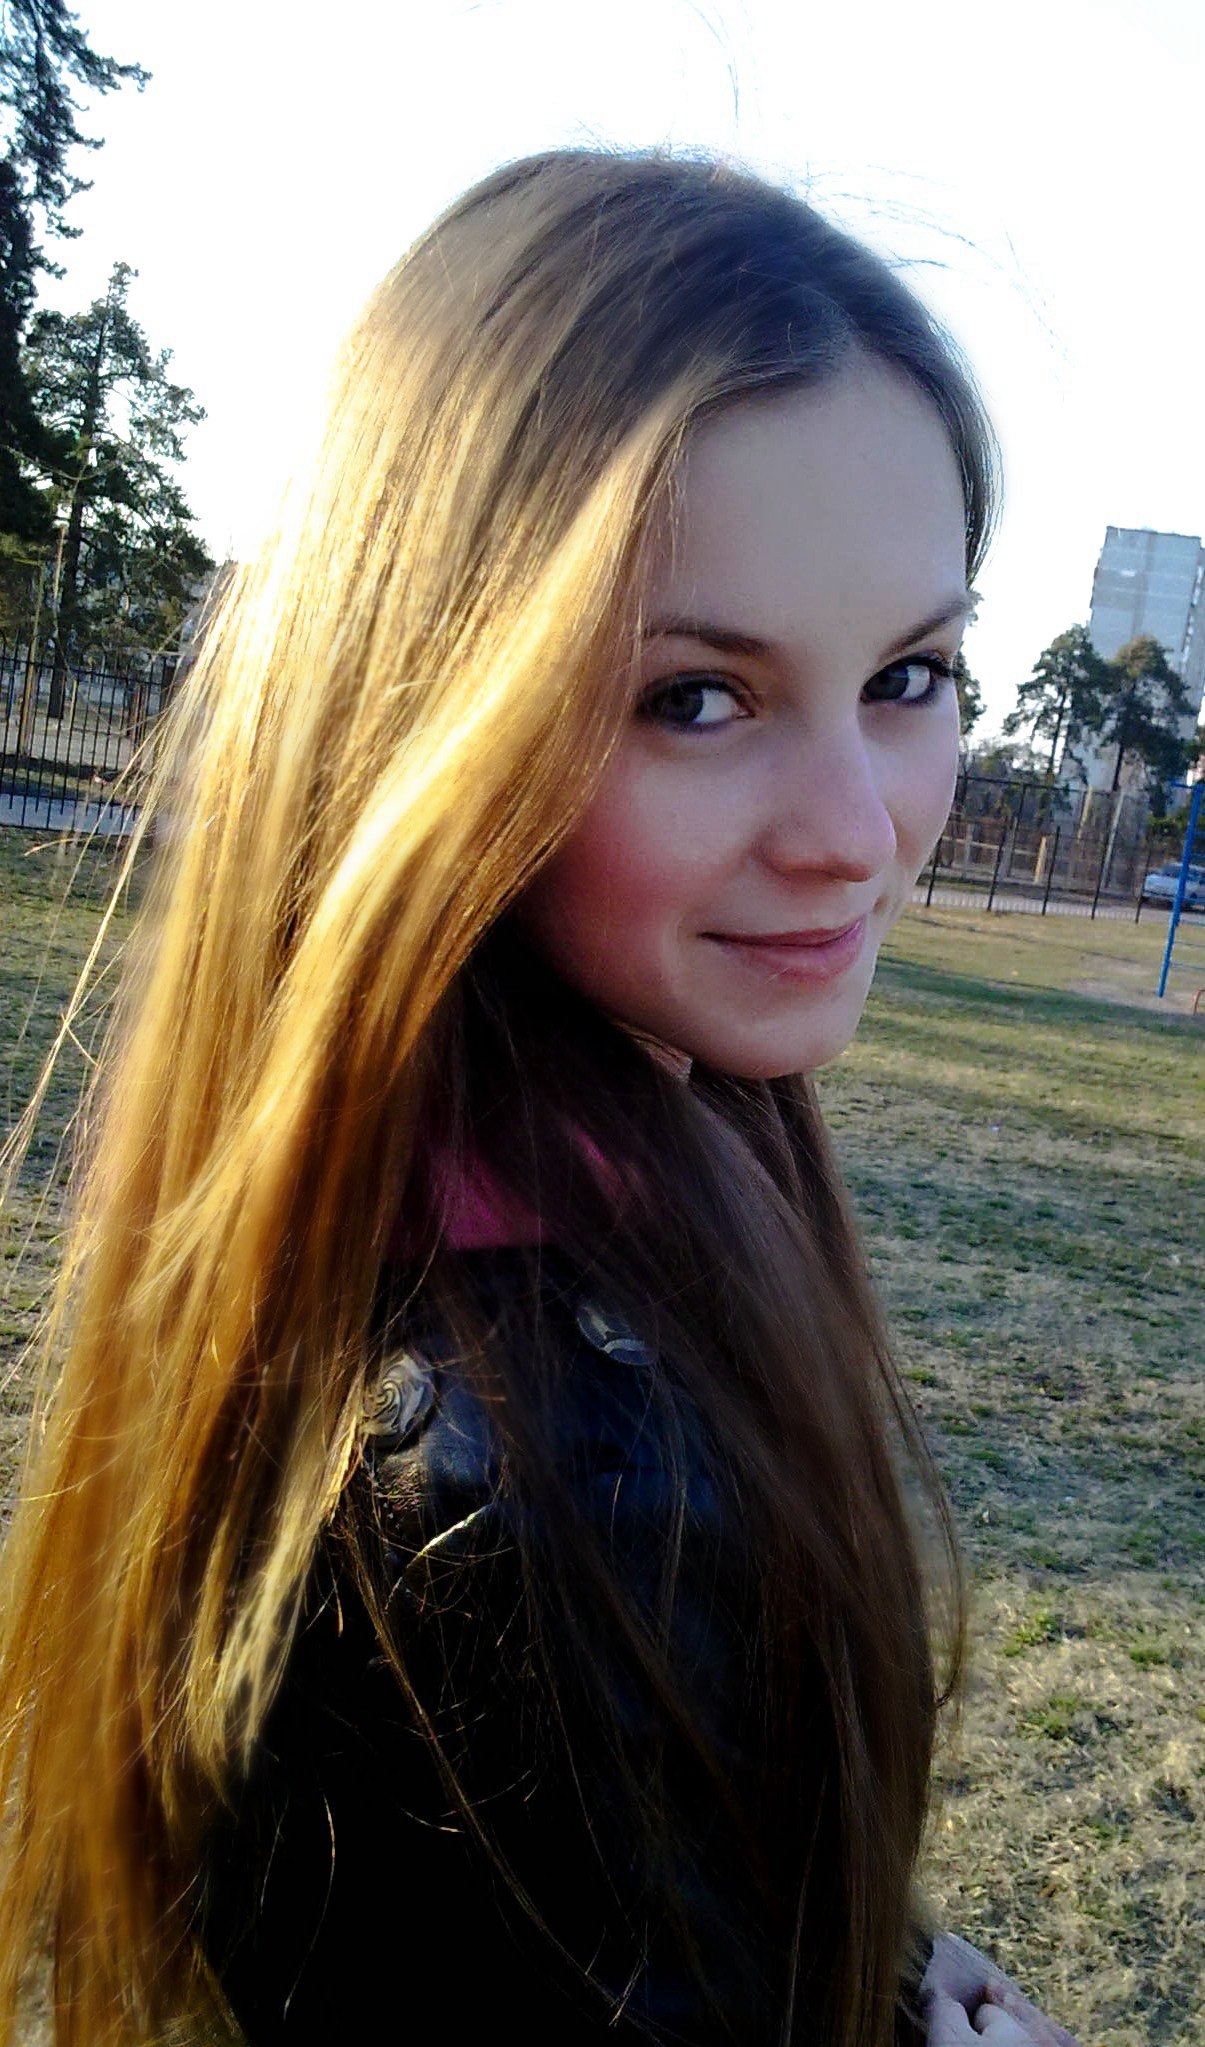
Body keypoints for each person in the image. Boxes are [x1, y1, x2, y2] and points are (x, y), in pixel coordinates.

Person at [0, 150, 1080, 2047]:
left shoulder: (462, 1197)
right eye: (694, 698)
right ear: (426, 715)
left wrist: (894, 1971)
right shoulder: (541, 1471)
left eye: (909, 673)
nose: (857, 833)